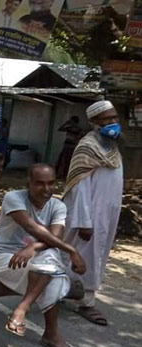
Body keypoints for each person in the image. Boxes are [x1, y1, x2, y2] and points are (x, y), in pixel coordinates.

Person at [0, 164, 86, 347]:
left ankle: (22, 310)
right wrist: (72, 250)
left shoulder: (58, 206)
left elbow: (55, 236)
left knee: (52, 264)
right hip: (6, 259)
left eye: (51, 183)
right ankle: (50, 332)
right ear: (29, 184)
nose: (47, 189)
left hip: (37, 263)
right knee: (53, 265)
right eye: (40, 184)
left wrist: (33, 248)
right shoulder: (14, 198)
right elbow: (30, 226)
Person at [62, 100, 123, 326]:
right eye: (108, 119)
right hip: (88, 215)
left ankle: (59, 290)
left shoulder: (112, 147)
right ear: (95, 122)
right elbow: (80, 188)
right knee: (86, 256)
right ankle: (87, 302)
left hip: (107, 213)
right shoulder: (87, 147)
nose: (113, 122)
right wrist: (84, 222)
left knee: (94, 254)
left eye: (115, 118)